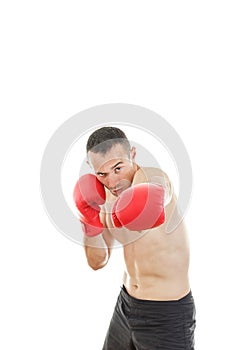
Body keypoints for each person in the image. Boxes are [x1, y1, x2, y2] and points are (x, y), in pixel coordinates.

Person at [73, 126, 196, 350]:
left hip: (166, 313)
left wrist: (147, 200)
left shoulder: (151, 178)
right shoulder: (104, 198)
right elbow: (97, 261)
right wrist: (89, 222)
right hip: (126, 305)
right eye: (102, 174)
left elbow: (161, 187)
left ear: (133, 154)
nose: (112, 182)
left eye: (118, 168)